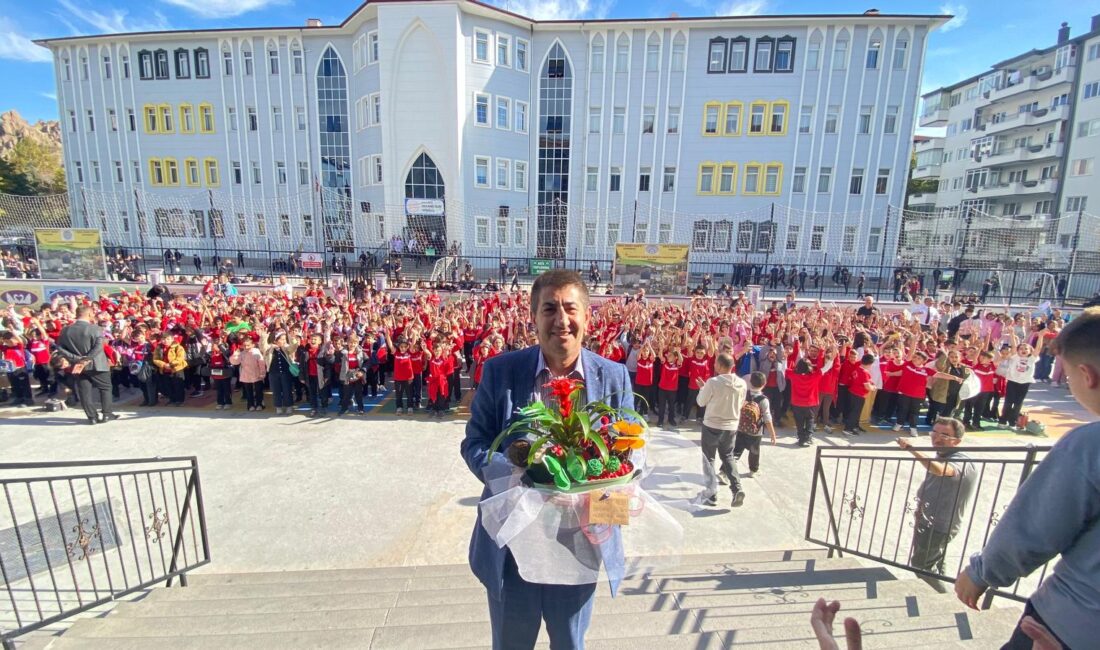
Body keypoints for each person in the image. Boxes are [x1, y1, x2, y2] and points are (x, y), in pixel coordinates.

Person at [460, 269, 633, 650]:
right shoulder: (501, 371)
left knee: (570, 644)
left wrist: (605, 510)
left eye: (570, 308)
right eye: (549, 309)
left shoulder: (615, 378)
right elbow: (474, 443)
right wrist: (515, 475)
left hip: (579, 549)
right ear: (534, 316)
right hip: (513, 551)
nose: (561, 320)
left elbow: (629, 458)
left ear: (587, 317)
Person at [955, 307, 1100, 650]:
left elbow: (1035, 526)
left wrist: (982, 573)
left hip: (1070, 625)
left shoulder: (1089, 446)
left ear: (1087, 375)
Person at [896, 417, 976, 593]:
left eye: (945, 435)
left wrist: (912, 449)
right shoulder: (943, 454)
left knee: (921, 565)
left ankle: (944, 598)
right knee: (934, 564)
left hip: (939, 525)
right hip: (928, 519)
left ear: (957, 441)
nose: (937, 437)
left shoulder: (961, 460)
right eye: (935, 432)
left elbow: (941, 470)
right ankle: (942, 594)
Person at [696, 353, 747, 508]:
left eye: (716, 364)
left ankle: (712, 493)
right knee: (728, 456)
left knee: (709, 458)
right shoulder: (742, 383)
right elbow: (740, 404)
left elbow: (701, 402)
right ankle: (736, 488)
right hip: (731, 425)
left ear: (720, 365)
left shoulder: (713, 382)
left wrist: (702, 389)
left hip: (712, 424)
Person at [55, 305, 117, 424]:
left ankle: (92, 417)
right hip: (97, 364)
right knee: (105, 388)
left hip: (77, 365)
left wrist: (77, 359)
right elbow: (99, 347)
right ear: (89, 314)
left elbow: (60, 348)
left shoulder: (66, 330)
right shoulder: (95, 328)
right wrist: (86, 358)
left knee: (84, 391)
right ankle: (107, 414)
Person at [734, 371, 777, 478]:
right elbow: (767, 418)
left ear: (750, 382)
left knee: (736, 450)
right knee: (754, 451)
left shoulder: (744, 393)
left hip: (740, 427)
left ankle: (725, 470)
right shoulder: (763, 400)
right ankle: (753, 470)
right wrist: (772, 434)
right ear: (764, 384)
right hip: (755, 431)